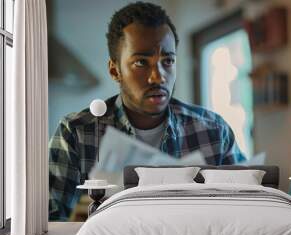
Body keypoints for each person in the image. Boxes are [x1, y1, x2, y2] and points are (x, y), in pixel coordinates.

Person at [49, 1, 245, 221]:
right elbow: (51, 224)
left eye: (168, 61)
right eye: (141, 62)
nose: (158, 77)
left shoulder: (214, 131)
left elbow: (247, 209)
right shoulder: (75, 134)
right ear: (115, 70)